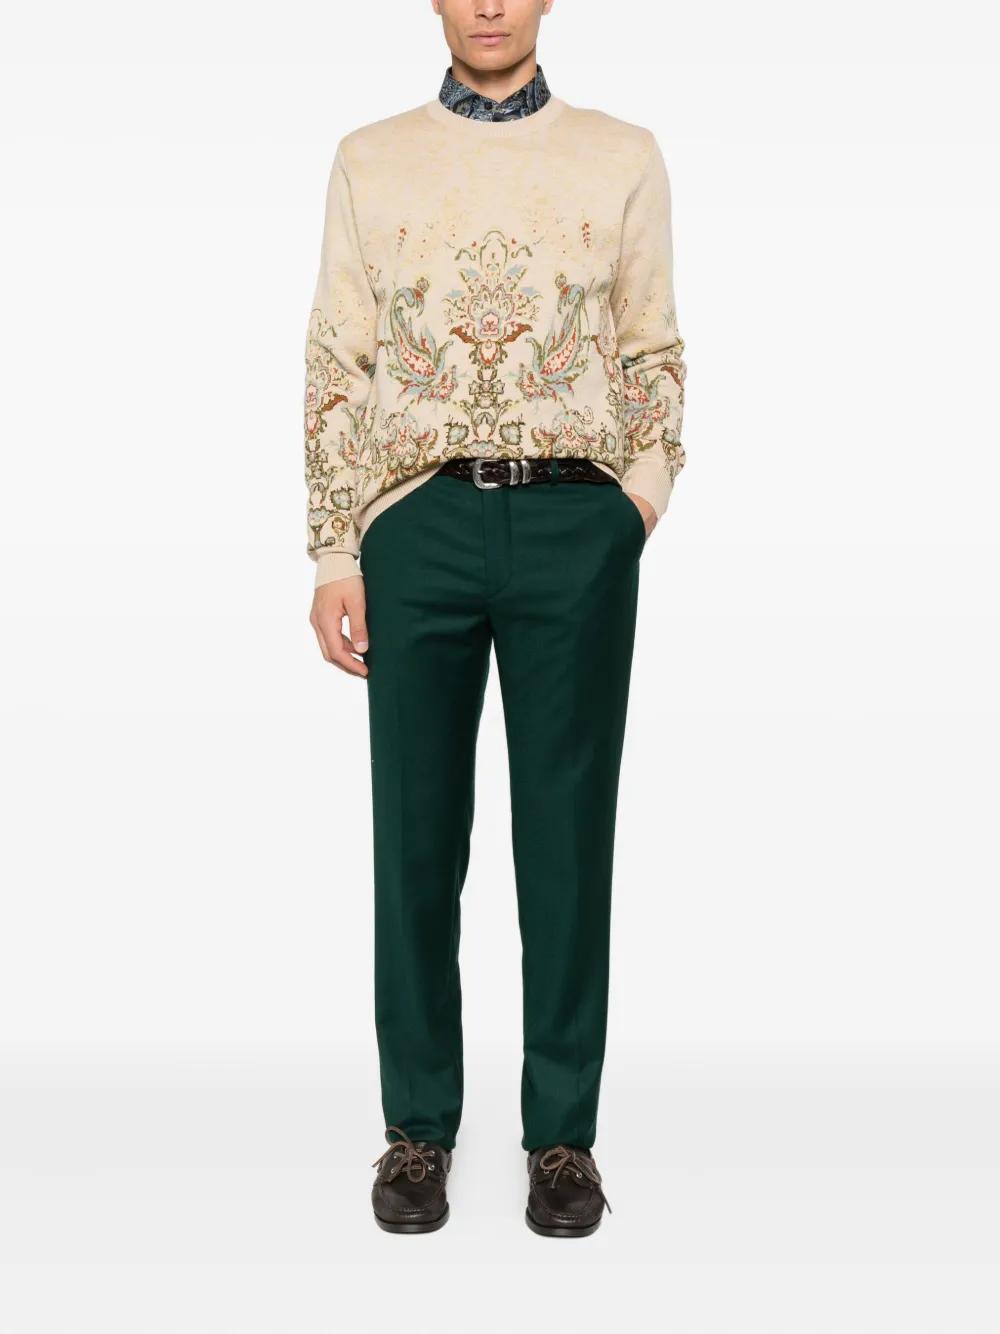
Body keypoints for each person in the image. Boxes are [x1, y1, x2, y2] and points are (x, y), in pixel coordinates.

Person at [304, 0, 686, 1238]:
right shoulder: (371, 157)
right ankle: (417, 1125)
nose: (486, 5)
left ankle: (561, 1135)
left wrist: (632, 504)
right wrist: (337, 546)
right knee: (415, 836)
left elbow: (652, 346)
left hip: (575, 521)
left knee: (567, 836)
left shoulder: (620, 154)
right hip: (415, 521)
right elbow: (337, 357)